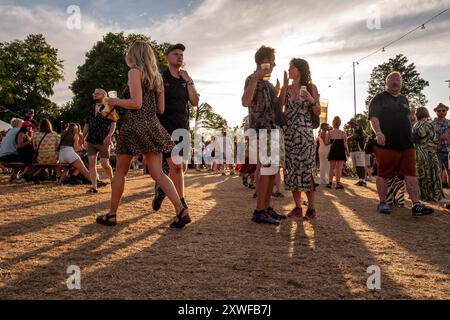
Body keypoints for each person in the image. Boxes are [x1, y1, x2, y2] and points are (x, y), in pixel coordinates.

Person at [96, 41, 190, 228]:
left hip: (134, 126)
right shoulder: (158, 78)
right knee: (158, 174)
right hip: (153, 125)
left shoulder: (134, 71)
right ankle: (181, 209)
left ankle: (112, 215)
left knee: (121, 173)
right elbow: (161, 109)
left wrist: (114, 100)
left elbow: (136, 103)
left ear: (134, 55)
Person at [368, 71, 433, 216]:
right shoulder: (379, 98)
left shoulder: (404, 99)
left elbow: (407, 118)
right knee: (383, 174)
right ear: (387, 82)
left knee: (411, 174)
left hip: (407, 144)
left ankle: (416, 204)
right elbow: (373, 117)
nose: (395, 82)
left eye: (398, 79)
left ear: (402, 83)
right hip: (387, 144)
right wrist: (378, 132)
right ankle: (383, 203)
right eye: (391, 79)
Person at [242, 45, 286, 225]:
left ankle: (266, 207)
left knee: (272, 169)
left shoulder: (268, 84)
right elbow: (245, 102)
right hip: (261, 130)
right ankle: (259, 210)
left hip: (273, 129)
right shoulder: (252, 78)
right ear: (263, 61)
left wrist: (282, 89)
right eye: (272, 60)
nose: (275, 63)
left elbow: (278, 109)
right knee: (266, 169)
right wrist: (254, 79)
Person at [152, 43, 199, 212]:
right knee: (176, 167)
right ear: (167, 57)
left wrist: (189, 81)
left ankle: (162, 189)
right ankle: (181, 205)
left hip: (182, 127)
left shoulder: (185, 78)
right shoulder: (161, 76)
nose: (179, 56)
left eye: (181, 55)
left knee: (182, 167)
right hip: (164, 127)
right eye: (176, 54)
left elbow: (195, 102)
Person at [279, 58, 321, 219]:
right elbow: (281, 110)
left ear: (300, 70)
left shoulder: (311, 87)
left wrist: (311, 99)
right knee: (291, 171)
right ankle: (297, 207)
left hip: (305, 135)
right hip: (290, 134)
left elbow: (317, 112)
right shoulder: (288, 89)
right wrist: (283, 87)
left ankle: (311, 208)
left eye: (292, 67)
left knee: (305, 171)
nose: (289, 70)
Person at [83, 88, 116, 194]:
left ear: (103, 95)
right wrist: (82, 137)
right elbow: (87, 124)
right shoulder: (91, 108)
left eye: (97, 93)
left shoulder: (108, 107)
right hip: (91, 139)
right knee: (91, 163)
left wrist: (109, 136)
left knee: (104, 164)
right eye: (94, 93)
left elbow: (113, 123)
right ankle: (94, 187)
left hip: (103, 139)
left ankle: (112, 180)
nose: (94, 95)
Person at [413, 107, 444, 202]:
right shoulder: (428, 125)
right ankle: (435, 196)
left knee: (423, 175)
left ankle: (425, 196)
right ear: (426, 113)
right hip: (429, 153)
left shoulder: (415, 125)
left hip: (419, 153)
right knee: (433, 174)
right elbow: (435, 141)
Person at [326, 116, 348, 189]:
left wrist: (331, 141)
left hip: (333, 150)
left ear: (333, 123)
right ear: (340, 123)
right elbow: (345, 144)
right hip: (341, 151)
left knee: (331, 168)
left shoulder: (329, 132)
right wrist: (348, 151)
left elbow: (326, 142)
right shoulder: (343, 133)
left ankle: (330, 183)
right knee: (339, 168)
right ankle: (338, 184)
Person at [431, 103, 450, 188]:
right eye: (439, 111)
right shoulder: (432, 124)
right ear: (436, 112)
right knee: (437, 173)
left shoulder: (449, 122)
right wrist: (442, 136)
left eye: (443, 110)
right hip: (436, 151)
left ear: (446, 111)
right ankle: (438, 194)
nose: (441, 112)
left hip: (449, 151)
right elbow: (430, 137)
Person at [348, 122, 367, 187]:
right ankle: (360, 180)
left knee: (361, 166)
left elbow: (355, 136)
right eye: (349, 124)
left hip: (359, 149)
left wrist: (349, 138)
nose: (350, 125)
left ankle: (363, 180)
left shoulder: (359, 128)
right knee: (357, 166)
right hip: (354, 150)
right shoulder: (352, 130)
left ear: (354, 124)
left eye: (351, 124)